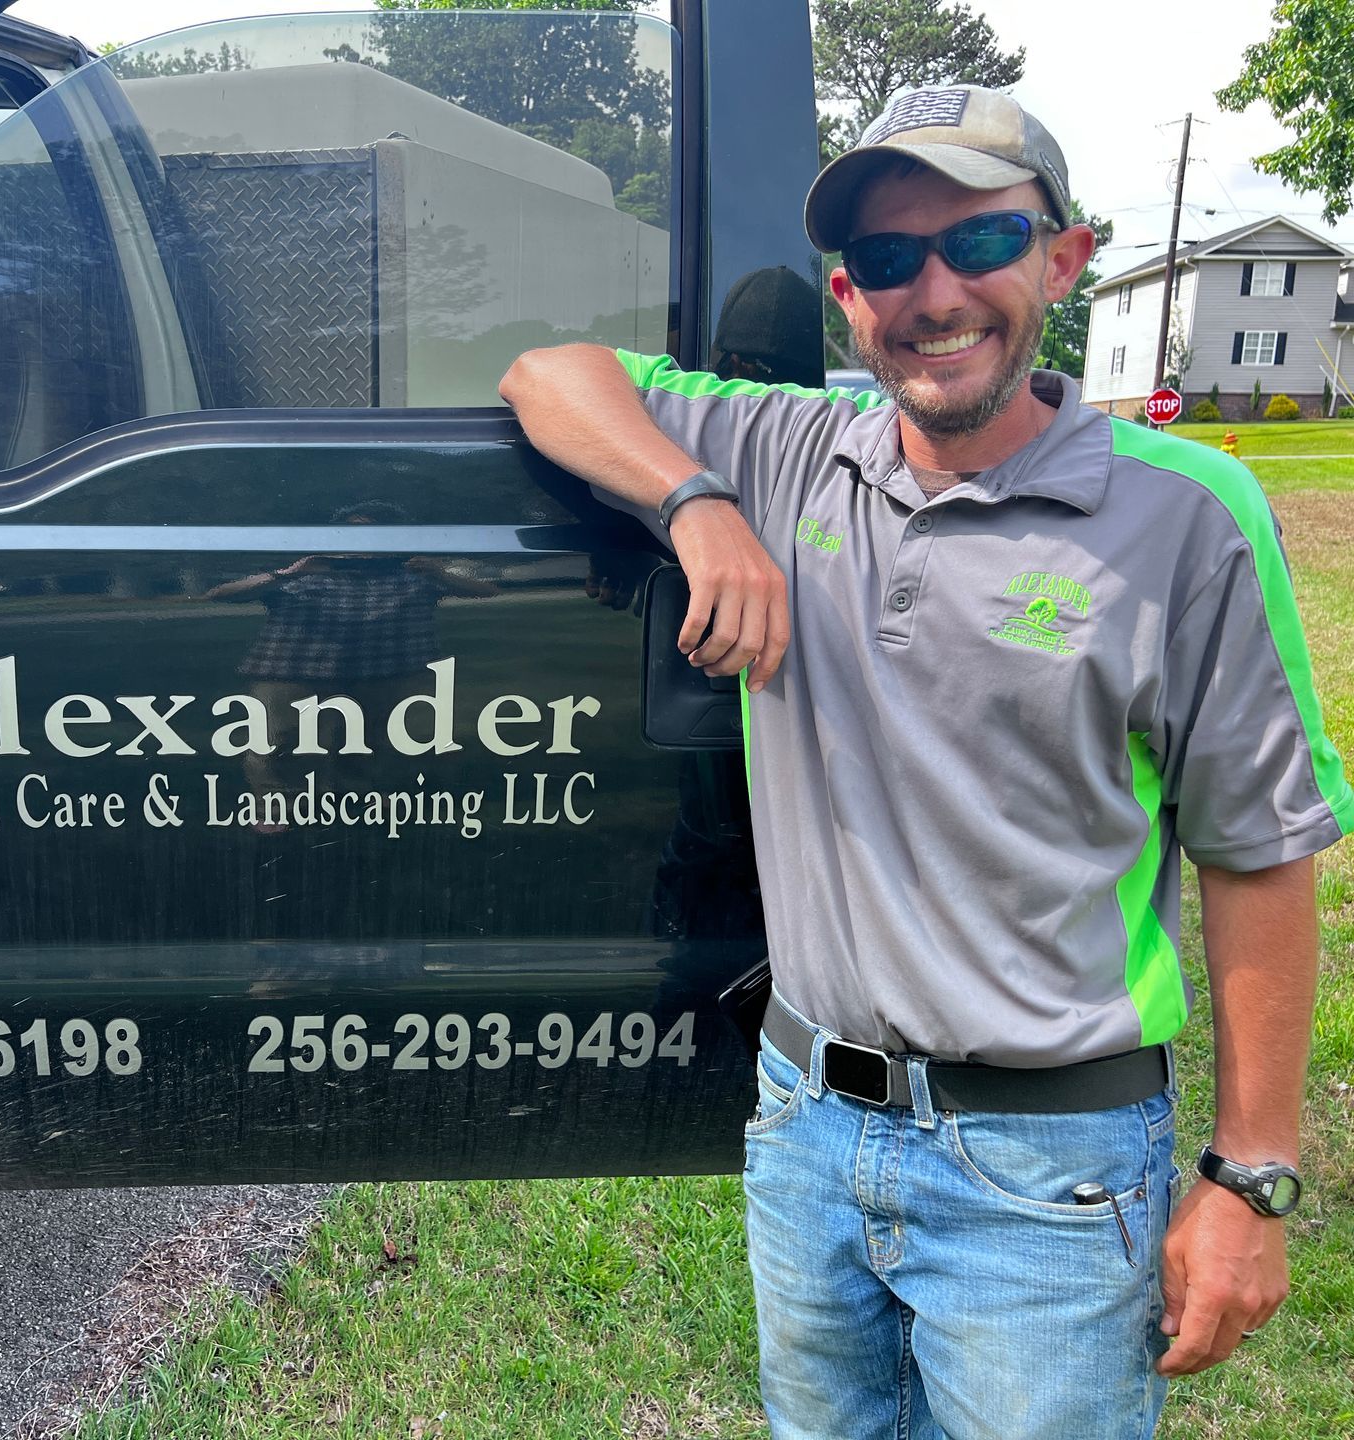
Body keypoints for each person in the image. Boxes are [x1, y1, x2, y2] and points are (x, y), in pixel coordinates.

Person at [499, 84, 1352, 1437]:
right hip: (805, 1132)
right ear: (850, 295)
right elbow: (548, 374)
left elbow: (1262, 852)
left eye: (980, 243)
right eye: (889, 260)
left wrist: (1251, 1182)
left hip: (1051, 1173)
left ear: (1064, 261)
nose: (933, 292)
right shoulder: (789, 452)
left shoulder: (1188, 516)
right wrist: (698, 502)